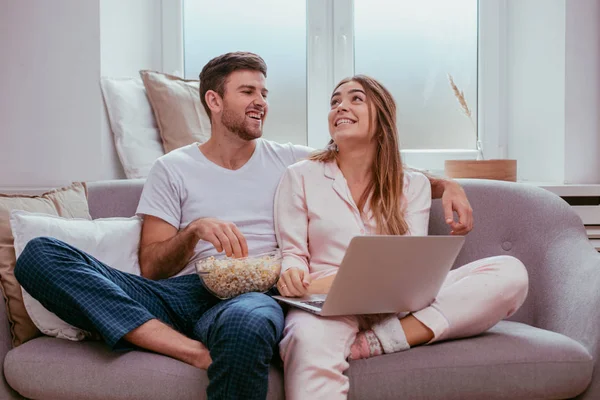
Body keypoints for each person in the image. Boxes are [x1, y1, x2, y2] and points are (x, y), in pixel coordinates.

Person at [14, 52, 472, 400]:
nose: (261, 103)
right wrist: (194, 230)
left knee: (250, 325)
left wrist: (446, 184)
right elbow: (151, 266)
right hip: (182, 292)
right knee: (39, 256)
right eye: (248, 92)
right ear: (214, 101)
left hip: (254, 293)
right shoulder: (172, 168)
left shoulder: (292, 160)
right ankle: (188, 349)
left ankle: (161, 337)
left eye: (265, 94)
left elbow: (370, 164)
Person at [274, 75, 529, 400]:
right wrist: (292, 273)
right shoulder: (300, 176)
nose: (340, 106)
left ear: (382, 119)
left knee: (510, 273)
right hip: (327, 302)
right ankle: (372, 338)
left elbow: (409, 263)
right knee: (305, 341)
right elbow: (293, 253)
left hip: (397, 305)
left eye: (355, 99)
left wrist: (451, 184)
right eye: (335, 101)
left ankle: (379, 342)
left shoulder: (412, 185)